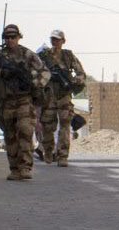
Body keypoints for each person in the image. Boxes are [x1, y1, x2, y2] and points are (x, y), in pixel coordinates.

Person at [0, 25, 48, 181]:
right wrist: (0, 72)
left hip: (25, 99)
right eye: (7, 37)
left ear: (19, 37)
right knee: (10, 136)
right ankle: (14, 169)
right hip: (6, 101)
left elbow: (45, 73)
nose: (10, 40)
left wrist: (33, 83)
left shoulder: (28, 54)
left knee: (25, 131)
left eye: (13, 37)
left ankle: (25, 167)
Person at [36, 29, 87, 166]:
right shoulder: (43, 55)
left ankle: (62, 156)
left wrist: (75, 81)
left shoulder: (68, 56)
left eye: (57, 39)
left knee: (65, 125)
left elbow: (81, 73)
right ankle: (48, 151)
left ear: (63, 41)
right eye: (53, 39)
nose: (55, 42)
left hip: (64, 95)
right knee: (48, 126)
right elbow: (35, 72)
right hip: (49, 95)